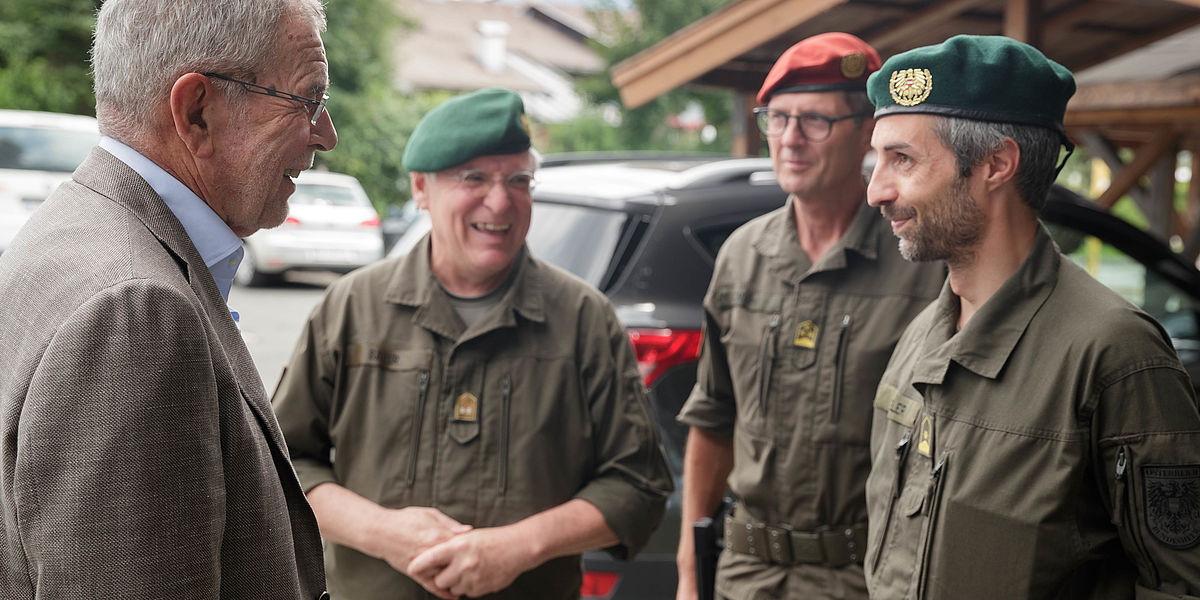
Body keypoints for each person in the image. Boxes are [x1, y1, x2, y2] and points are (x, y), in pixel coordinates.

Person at [271, 87, 674, 600]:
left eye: (519, 180)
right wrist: (383, 532)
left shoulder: (583, 319)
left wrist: (518, 547)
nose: (501, 201)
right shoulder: (351, 308)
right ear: (421, 188)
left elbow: (639, 485)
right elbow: (282, 464)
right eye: (474, 179)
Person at [0, 0, 337, 598]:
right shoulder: (136, 313)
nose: (326, 136)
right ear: (197, 111)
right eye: (308, 102)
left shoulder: (74, 223)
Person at [863, 34, 1200, 598]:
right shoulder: (923, 336)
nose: (876, 189)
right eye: (878, 160)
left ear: (997, 165)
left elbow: (1180, 584)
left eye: (903, 159)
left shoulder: (1115, 354)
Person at [674, 33, 946, 600]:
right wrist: (688, 572)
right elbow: (714, 417)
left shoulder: (920, 260)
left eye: (815, 121)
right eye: (777, 118)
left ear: (866, 133)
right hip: (745, 574)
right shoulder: (742, 257)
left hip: (866, 575)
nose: (791, 139)